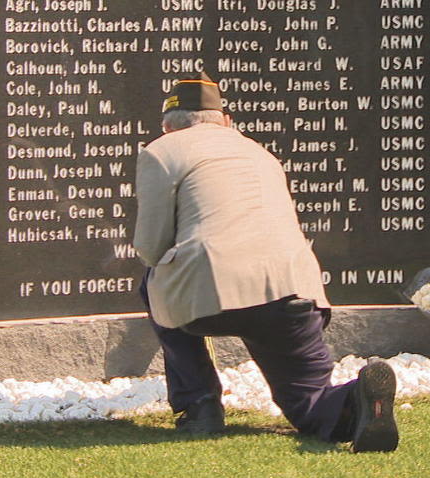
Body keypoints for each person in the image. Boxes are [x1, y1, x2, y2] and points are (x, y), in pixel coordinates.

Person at [133, 73, 399, 453]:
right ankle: (355, 400)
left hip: (209, 289)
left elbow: (151, 245)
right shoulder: (261, 152)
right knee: (307, 403)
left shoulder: (162, 150)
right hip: (293, 288)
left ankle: (200, 407)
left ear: (168, 125)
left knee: (154, 279)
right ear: (225, 120)